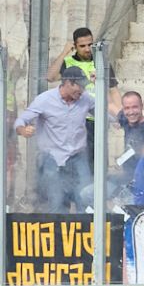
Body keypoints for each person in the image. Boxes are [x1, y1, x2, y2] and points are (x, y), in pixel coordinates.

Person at [14, 65, 93, 211]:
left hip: (78, 157)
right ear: (68, 83)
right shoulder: (44, 99)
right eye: (79, 86)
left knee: (86, 197)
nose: (82, 90)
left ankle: (88, 225)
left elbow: (106, 113)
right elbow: (21, 121)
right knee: (57, 202)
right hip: (53, 159)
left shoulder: (85, 99)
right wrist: (23, 130)